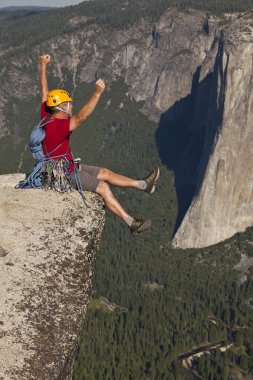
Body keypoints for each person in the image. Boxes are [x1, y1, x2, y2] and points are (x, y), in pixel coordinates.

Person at [39, 54, 160, 236]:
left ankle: (143, 185)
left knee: (104, 172)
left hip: (65, 166)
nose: (72, 106)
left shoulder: (46, 116)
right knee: (103, 187)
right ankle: (131, 223)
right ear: (62, 107)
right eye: (69, 104)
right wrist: (97, 93)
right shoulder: (59, 126)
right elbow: (82, 116)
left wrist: (43, 65)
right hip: (61, 173)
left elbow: (44, 92)